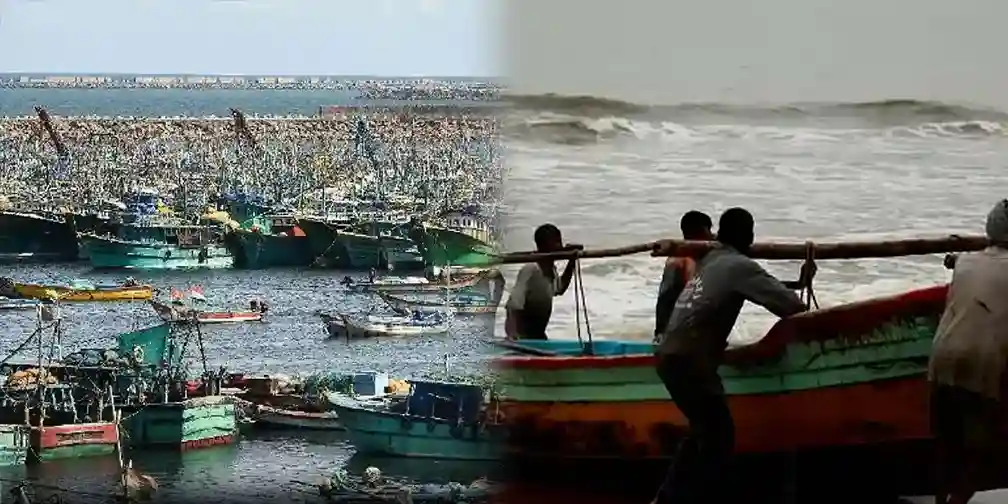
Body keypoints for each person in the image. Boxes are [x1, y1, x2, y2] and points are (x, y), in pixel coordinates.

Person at [652, 207, 808, 504]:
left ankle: (668, 497)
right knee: (720, 439)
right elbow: (790, 306)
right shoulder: (739, 265)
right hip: (690, 361)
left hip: (668, 356)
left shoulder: (710, 260)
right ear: (747, 235)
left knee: (702, 431)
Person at [929, 199, 1008, 504]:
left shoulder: (966, 261)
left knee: (945, 443)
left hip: (942, 357)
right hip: (983, 363)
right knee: (981, 452)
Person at [504, 224, 581, 341]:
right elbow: (513, 305)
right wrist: (512, 335)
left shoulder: (551, 270)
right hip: (522, 338)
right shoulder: (531, 269)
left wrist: (571, 261)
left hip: (539, 336)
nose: (559, 246)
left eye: (559, 242)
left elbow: (560, 288)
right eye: (555, 242)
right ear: (543, 245)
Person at [655, 211, 714, 341]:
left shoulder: (694, 256)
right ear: (703, 231)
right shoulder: (681, 261)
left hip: (682, 324)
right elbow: (668, 299)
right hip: (679, 327)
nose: (711, 235)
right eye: (709, 230)